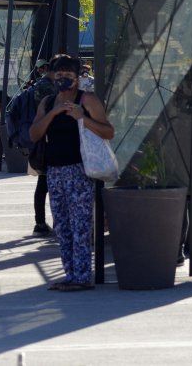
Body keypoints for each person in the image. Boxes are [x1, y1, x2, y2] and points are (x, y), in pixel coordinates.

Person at [29, 55, 114, 291]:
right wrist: (53, 113)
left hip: (80, 170)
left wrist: (82, 118)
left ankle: (82, 276)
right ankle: (70, 274)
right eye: (59, 75)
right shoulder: (47, 102)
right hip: (54, 172)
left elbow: (108, 132)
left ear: (77, 78)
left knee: (80, 225)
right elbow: (34, 134)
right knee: (62, 225)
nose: (63, 80)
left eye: (68, 75)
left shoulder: (87, 100)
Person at [31, 58, 57, 236]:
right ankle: (41, 222)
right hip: (48, 140)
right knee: (46, 183)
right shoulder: (46, 88)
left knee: (44, 183)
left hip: (45, 140)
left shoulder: (43, 85)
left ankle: (41, 222)